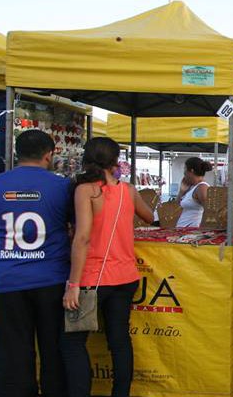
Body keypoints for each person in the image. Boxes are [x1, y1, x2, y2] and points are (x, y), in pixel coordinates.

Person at [0, 130, 70, 397]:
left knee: (12, 351)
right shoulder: (64, 186)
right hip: (52, 280)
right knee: (54, 348)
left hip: (7, 281)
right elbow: (77, 232)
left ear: (17, 154)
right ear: (50, 154)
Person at [61, 137, 155, 397]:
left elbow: (82, 238)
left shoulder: (87, 190)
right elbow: (150, 216)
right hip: (125, 276)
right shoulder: (128, 190)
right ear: (115, 160)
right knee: (120, 341)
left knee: (72, 342)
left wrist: (72, 284)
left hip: (93, 277)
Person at [176, 157, 212, 227]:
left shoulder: (202, 188)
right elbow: (176, 206)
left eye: (185, 169)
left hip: (192, 230)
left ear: (191, 171)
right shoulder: (192, 187)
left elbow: (209, 212)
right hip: (184, 230)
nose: (184, 172)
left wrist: (201, 229)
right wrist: (181, 191)